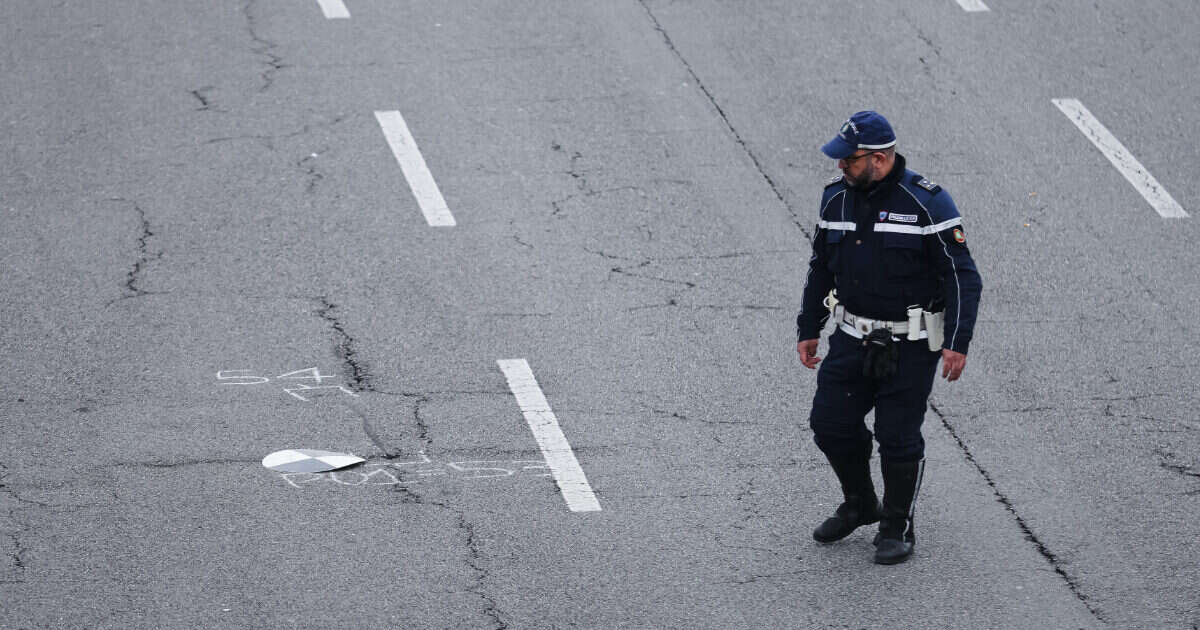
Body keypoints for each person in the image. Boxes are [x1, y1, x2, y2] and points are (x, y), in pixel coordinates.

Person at [796, 111, 982, 565]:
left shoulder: (927, 203)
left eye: (849, 161)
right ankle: (861, 503)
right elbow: (820, 266)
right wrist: (808, 328)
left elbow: (962, 276)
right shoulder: (834, 199)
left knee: (897, 437)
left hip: (911, 344)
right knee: (830, 425)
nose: (840, 167)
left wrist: (957, 341)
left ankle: (897, 524)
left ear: (878, 160)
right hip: (851, 335)